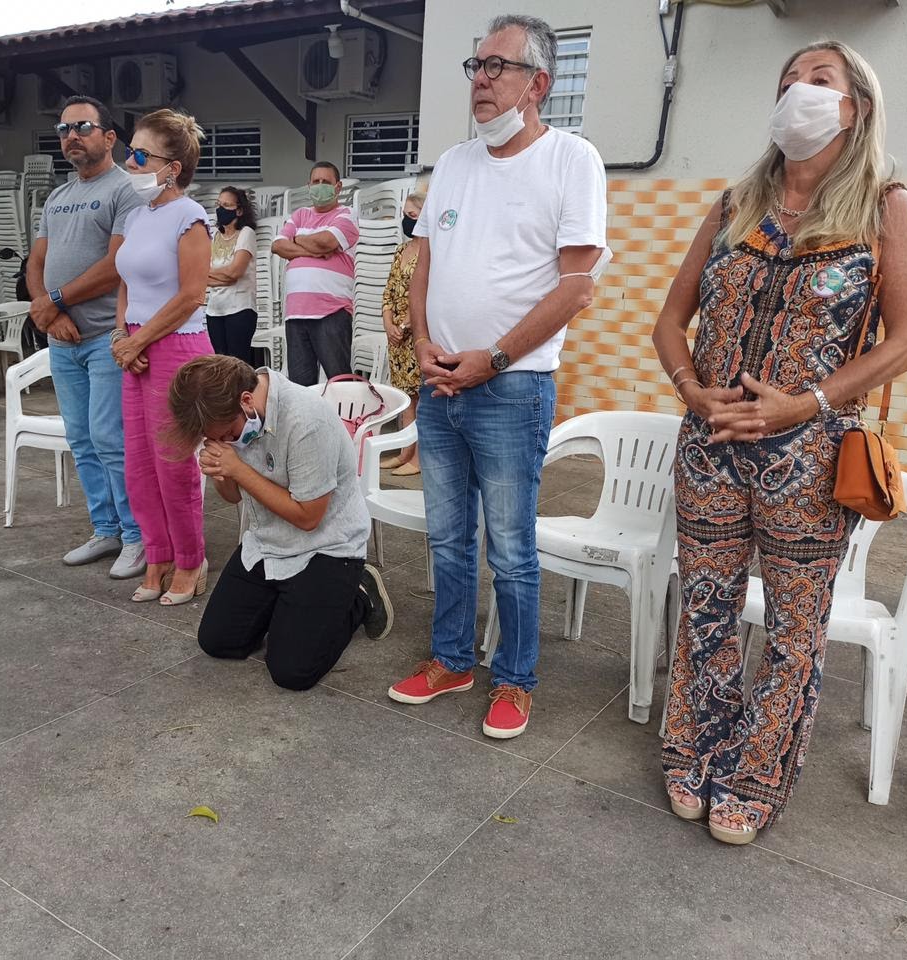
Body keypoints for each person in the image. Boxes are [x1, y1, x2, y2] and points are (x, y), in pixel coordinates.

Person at [653, 42, 907, 845]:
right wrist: (691, 391)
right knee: (703, 607)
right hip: (709, 446)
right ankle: (695, 744)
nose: (796, 93)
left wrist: (804, 403)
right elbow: (672, 321)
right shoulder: (736, 201)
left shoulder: (885, 205)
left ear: (857, 107)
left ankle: (758, 772)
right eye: (786, 82)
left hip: (809, 462)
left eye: (819, 81)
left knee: (793, 627)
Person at [387, 14, 609, 741]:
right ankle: (451, 659)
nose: (480, 78)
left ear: (537, 83)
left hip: (511, 389)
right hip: (440, 384)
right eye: (475, 65)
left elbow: (576, 287)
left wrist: (496, 358)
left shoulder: (572, 161)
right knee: (448, 539)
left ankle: (514, 679)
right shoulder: (454, 163)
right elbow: (423, 264)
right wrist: (422, 344)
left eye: (497, 66)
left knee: (510, 548)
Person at [168, 354, 394, 690]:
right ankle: (291, 607)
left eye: (228, 433)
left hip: (327, 545)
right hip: (267, 541)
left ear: (246, 401)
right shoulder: (226, 417)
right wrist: (220, 470)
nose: (225, 442)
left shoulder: (306, 421)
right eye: (215, 439)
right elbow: (232, 496)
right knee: (218, 641)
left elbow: (308, 517)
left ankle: (360, 594)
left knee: (292, 671)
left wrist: (238, 468)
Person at [26, 95, 146, 579]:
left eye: (82, 126)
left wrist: (53, 299)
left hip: (104, 337)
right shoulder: (56, 196)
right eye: (63, 128)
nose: (70, 135)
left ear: (109, 136)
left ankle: (136, 537)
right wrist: (48, 313)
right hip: (63, 340)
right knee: (80, 439)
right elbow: (35, 262)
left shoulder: (126, 191)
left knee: (110, 439)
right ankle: (106, 528)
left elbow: (116, 265)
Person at [113, 109, 214, 605]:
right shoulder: (136, 216)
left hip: (176, 346)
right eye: (129, 152)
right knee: (139, 463)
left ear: (172, 166)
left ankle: (191, 560)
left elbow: (192, 295)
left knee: (174, 464)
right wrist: (121, 337)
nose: (127, 162)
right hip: (136, 346)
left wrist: (140, 339)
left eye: (138, 154)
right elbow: (125, 284)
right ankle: (157, 555)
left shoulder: (190, 217)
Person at [271, 162, 359, 385]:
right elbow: (278, 246)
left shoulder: (346, 214)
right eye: (316, 182)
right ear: (308, 185)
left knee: (340, 383)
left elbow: (327, 241)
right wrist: (317, 251)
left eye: (326, 182)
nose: (320, 187)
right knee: (301, 387)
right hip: (296, 314)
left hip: (331, 312)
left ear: (338, 187)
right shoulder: (300, 215)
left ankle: (344, 421)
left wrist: (298, 239)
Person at [379, 191, 427, 476]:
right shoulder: (401, 250)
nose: (406, 221)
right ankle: (404, 452)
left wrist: (407, 325)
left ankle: (418, 458)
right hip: (396, 336)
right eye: (405, 215)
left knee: (420, 397)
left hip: (416, 334)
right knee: (404, 396)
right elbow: (389, 291)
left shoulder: (430, 252)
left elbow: (428, 294)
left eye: (412, 216)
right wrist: (389, 324)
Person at [206, 186, 259, 365]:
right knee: (219, 365)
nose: (221, 209)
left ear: (239, 210)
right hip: (214, 310)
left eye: (226, 205)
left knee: (238, 364)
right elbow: (201, 275)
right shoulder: (213, 236)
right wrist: (225, 276)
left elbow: (235, 272)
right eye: (219, 204)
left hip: (240, 310)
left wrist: (213, 276)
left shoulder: (246, 234)